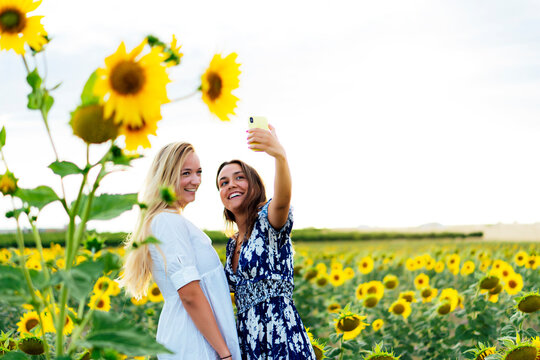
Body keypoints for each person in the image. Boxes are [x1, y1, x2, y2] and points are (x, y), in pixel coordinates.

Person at [119, 142, 241, 360]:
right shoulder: (167, 222)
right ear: (166, 177)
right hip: (194, 343)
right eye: (186, 173)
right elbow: (190, 294)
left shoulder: (171, 221)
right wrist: (224, 354)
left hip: (195, 338)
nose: (196, 181)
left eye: (198, 172)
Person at [216, 125, 316, 359]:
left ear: (254, 185)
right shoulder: (232, 245)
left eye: (239, 178)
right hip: (248, 341)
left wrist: (279, 156)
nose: (230, 184)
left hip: (280, 335)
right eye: (223, 182)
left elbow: (282, 200)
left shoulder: (268, 223)